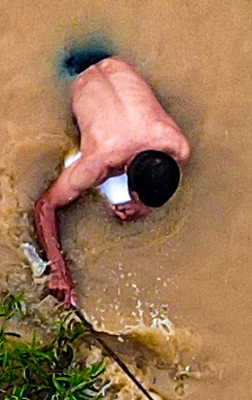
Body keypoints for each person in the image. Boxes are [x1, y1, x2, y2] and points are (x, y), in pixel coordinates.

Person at [30, 48, 192, 305]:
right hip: (72, 72)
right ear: (125, 173)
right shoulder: (99, 163)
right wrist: (59, 271)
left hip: (111, 59)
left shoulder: (177, 146)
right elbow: (45, 206)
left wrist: (144, 207)